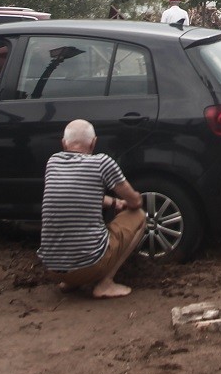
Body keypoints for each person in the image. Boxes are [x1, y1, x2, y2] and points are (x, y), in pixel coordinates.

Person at [36, 119, 146, 299]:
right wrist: (133, 199)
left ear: (64, 144)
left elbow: (77, 193)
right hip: (89, 266)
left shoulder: (53, 163)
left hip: (52, 268)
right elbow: (134, 202)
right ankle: (105, 283)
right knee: (139, 216)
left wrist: (113, 203)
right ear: (94, 142)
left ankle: (70, 282)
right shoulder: (102, 162)